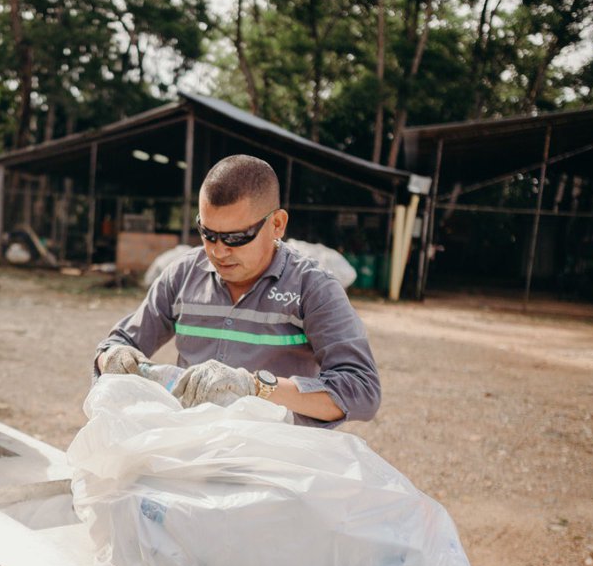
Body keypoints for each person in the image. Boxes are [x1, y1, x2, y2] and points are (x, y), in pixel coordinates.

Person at [95, 154, 380, 427]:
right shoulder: (182, 275)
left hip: (276, 457)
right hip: (191, 448)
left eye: (236, 238)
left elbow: (361, 390)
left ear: (277, 224)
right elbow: (117, 343)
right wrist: (113, 356)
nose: (219, 251)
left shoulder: (312, 288)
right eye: (208, 234)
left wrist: (255, 387)